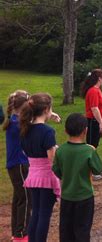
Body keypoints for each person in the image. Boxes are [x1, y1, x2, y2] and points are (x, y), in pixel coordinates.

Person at [52, 113, 102, 242]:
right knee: (82, 230)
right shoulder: (89, 150)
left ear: (65, 131)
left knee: (66, 230)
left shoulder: (60, 151)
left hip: (67, 197)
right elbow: (98, 169)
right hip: (85, 197)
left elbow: (57, 171)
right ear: (85, 131)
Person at [19, 93, 61, 242]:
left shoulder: (25, 129)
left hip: (32, 176)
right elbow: (52, 160)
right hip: (46, 178)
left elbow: (26, 151)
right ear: (46, 109)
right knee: (44, 214)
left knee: (35, 212)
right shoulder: (48, 131)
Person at [3, 90, 31, 241]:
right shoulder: (17, 124)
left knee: (19, 198)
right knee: (26, 199)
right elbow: (33, 128)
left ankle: (17, 232)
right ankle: (21, 234)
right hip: (20, 166)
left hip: (16, 166)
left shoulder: (13, 120)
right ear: (23, 106)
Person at [81, 69, 102, 180]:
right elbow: (94, 108)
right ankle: (91, 171)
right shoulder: (93, 91)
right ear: (99, 78)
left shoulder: (97, 90)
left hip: (96, 122)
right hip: (93, 122)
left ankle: (97, 167)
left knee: (94, 145)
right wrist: (100, 123)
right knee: (91, 146)